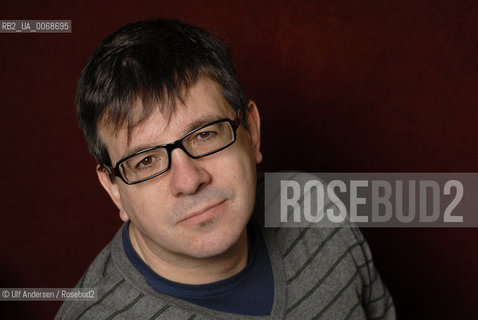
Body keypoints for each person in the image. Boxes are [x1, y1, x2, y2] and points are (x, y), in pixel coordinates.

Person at [56, 19, 395, 319]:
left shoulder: (313, 207)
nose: (188, 181)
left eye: (204, 135)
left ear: (252, 131)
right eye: (146, 160)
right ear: (114, 188)